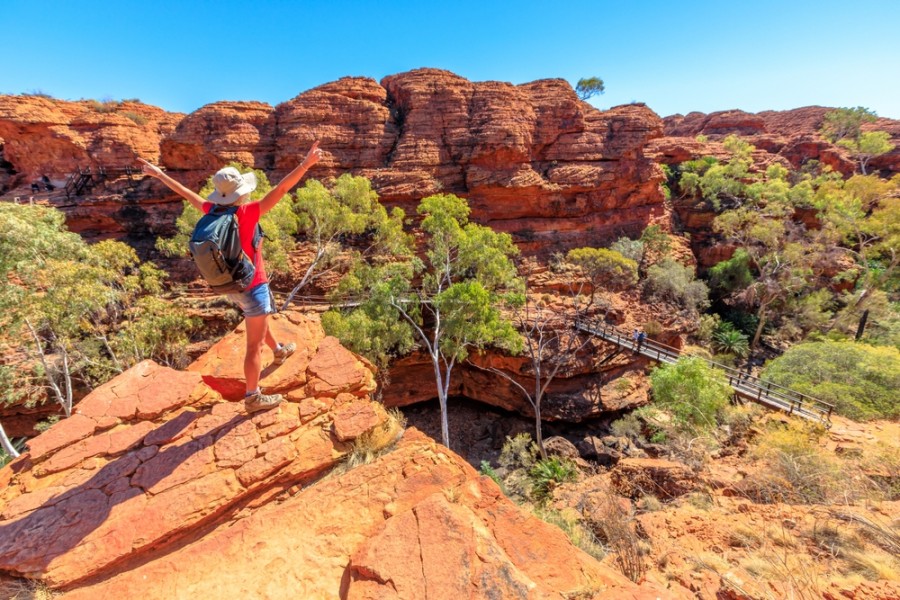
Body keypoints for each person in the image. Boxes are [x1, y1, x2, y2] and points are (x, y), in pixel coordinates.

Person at [138, 142, 322, 412]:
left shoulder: (212, 211)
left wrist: (159, 175)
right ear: (241, 193)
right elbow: (282, 188)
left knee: (257, 317)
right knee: (253, 346)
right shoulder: (247, 212)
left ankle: (279, 350)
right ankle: (253, 396)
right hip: (252, 283)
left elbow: (187, 194)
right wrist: (306, 164)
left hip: (230, 284)